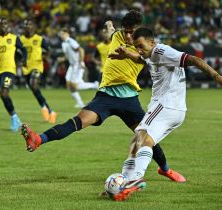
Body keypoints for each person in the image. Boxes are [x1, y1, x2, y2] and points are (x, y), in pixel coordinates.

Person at [20, 10, 180, 185]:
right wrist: (110, 27)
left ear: (139, 30)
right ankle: (38, 139)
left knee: (146, 137)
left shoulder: (146, 47)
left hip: (129, 100)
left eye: (131, 32)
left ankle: (165, 169)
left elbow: (146, 59)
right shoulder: (118, 35)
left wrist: (129, 53)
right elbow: (113, 34)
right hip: (106, 96)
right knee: (77, 122)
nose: (127, 36)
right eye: (124, 31)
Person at [108, 27, 222, 201]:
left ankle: (135, 179)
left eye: (140, 45)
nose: (138, 49)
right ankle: (125, 182)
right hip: (173, 109)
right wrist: (128, 54)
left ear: (151, 43)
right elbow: (143, 58)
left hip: (165, 105)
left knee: (143, 139)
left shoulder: (162, 51)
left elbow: (194, 59)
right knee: (137, 140)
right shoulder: (151, 54)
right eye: (135, 46)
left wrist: (217, 76)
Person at [0, 17, 27, 132]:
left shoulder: (14, 38)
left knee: (4, 91)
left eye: (6, 24)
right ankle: (15, 118)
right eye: (1, 24)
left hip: (9, 70)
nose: (4, 26)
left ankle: (14, 119)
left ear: (9, 26)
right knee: (3, 96)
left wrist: (24, 60)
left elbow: (23, 49)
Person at [20, 18, 57, 124]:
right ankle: (48, 110)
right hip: (26, 68)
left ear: (34, 27)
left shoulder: (39, 39)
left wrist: (44, 56)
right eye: (26, 25)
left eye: (29, 24)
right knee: (34, 90)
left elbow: (49, 50)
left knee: (34, 84)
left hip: (37, 66)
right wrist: (20, 59)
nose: (27, 26)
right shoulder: (20, 39)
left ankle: (46, 109)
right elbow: (15, 51)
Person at [57, 28, 99, 108]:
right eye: (61, 34)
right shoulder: (64, 44)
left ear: (67, 34)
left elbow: (81, 50)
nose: (62, 35)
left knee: (75, 86)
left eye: (63, 34)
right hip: (72, 65)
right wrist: (62, 59)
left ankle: (94, 85)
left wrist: (81, 62)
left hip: (77, 64)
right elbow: (68, 55)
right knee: (69, 84)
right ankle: (80, 103)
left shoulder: (70, 41)